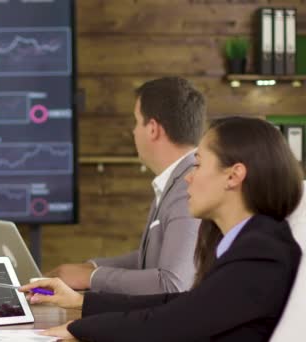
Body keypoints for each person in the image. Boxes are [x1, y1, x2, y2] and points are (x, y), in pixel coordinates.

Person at [21, 117, 303, 341]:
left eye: (199, 165)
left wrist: (81, 328)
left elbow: (175, 321)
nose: (189, 178)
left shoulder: (262, 253)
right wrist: (80, 303)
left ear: (233, 175)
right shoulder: (252, 244)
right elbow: (183, 304)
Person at [48, 77, 205, 294]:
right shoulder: (174, 180)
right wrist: (91, 267)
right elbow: (150, 258)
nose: (133, 132)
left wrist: (92, 277)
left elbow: (172, 283)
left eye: (136, 121)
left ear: (152, 129)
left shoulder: (188, 187)